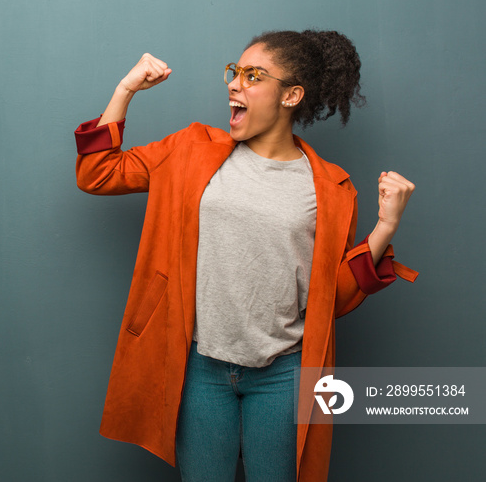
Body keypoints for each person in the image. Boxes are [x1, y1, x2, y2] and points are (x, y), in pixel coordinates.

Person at [73, 30, 418, 481]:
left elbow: (331, 299)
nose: (235, 83)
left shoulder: (331, 189)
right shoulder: (191, 150)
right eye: (234, 72)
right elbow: (97, 173)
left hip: (283, 375)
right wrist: (126, 89)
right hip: (200, 368)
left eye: (253, 76)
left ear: (292, 95)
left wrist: (385, 227)